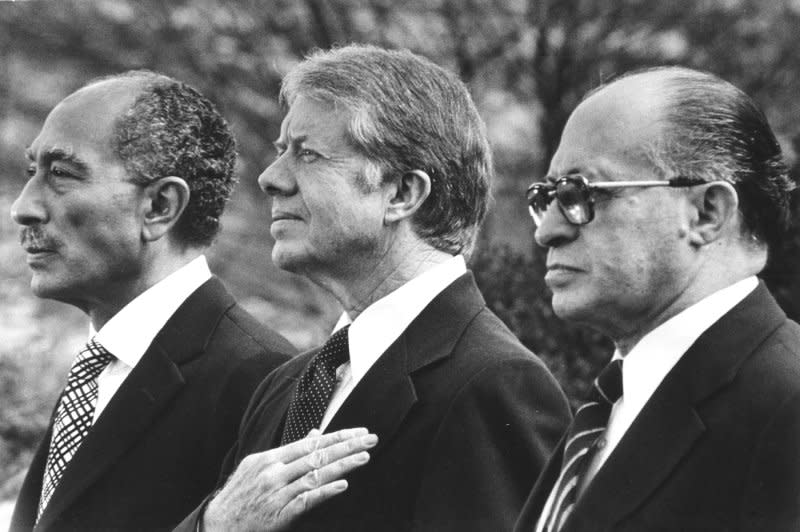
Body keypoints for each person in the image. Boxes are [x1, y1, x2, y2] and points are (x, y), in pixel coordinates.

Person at [176, 44, 571, 532]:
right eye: (282, 152)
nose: (271, 178)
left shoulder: (493, 384)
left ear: (402, 193)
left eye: (308, 154)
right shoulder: (285, 386)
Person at [7, 71, 373, 532]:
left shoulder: (262, 381)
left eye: (61, 174)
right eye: (30, 172)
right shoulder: (100, 367)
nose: (24, 206)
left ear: (160, 207)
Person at [515, 66, 800, 532]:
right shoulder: (616, 399)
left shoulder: (787, 408)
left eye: (581, 193)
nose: (547, 231)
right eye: (547, 196)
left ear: (706, 213)